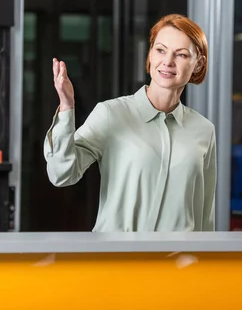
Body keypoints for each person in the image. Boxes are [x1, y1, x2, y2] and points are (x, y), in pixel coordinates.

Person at [44, 14, 217, 233]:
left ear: (198, 63)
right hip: (118, 261)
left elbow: (205, 214)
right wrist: (67, 106)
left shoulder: (204, 130)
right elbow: (61, 174)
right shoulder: (110, 114)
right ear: (150, 54)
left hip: (178, 263)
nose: (168, 61)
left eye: (181, 54)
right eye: (160, 50)